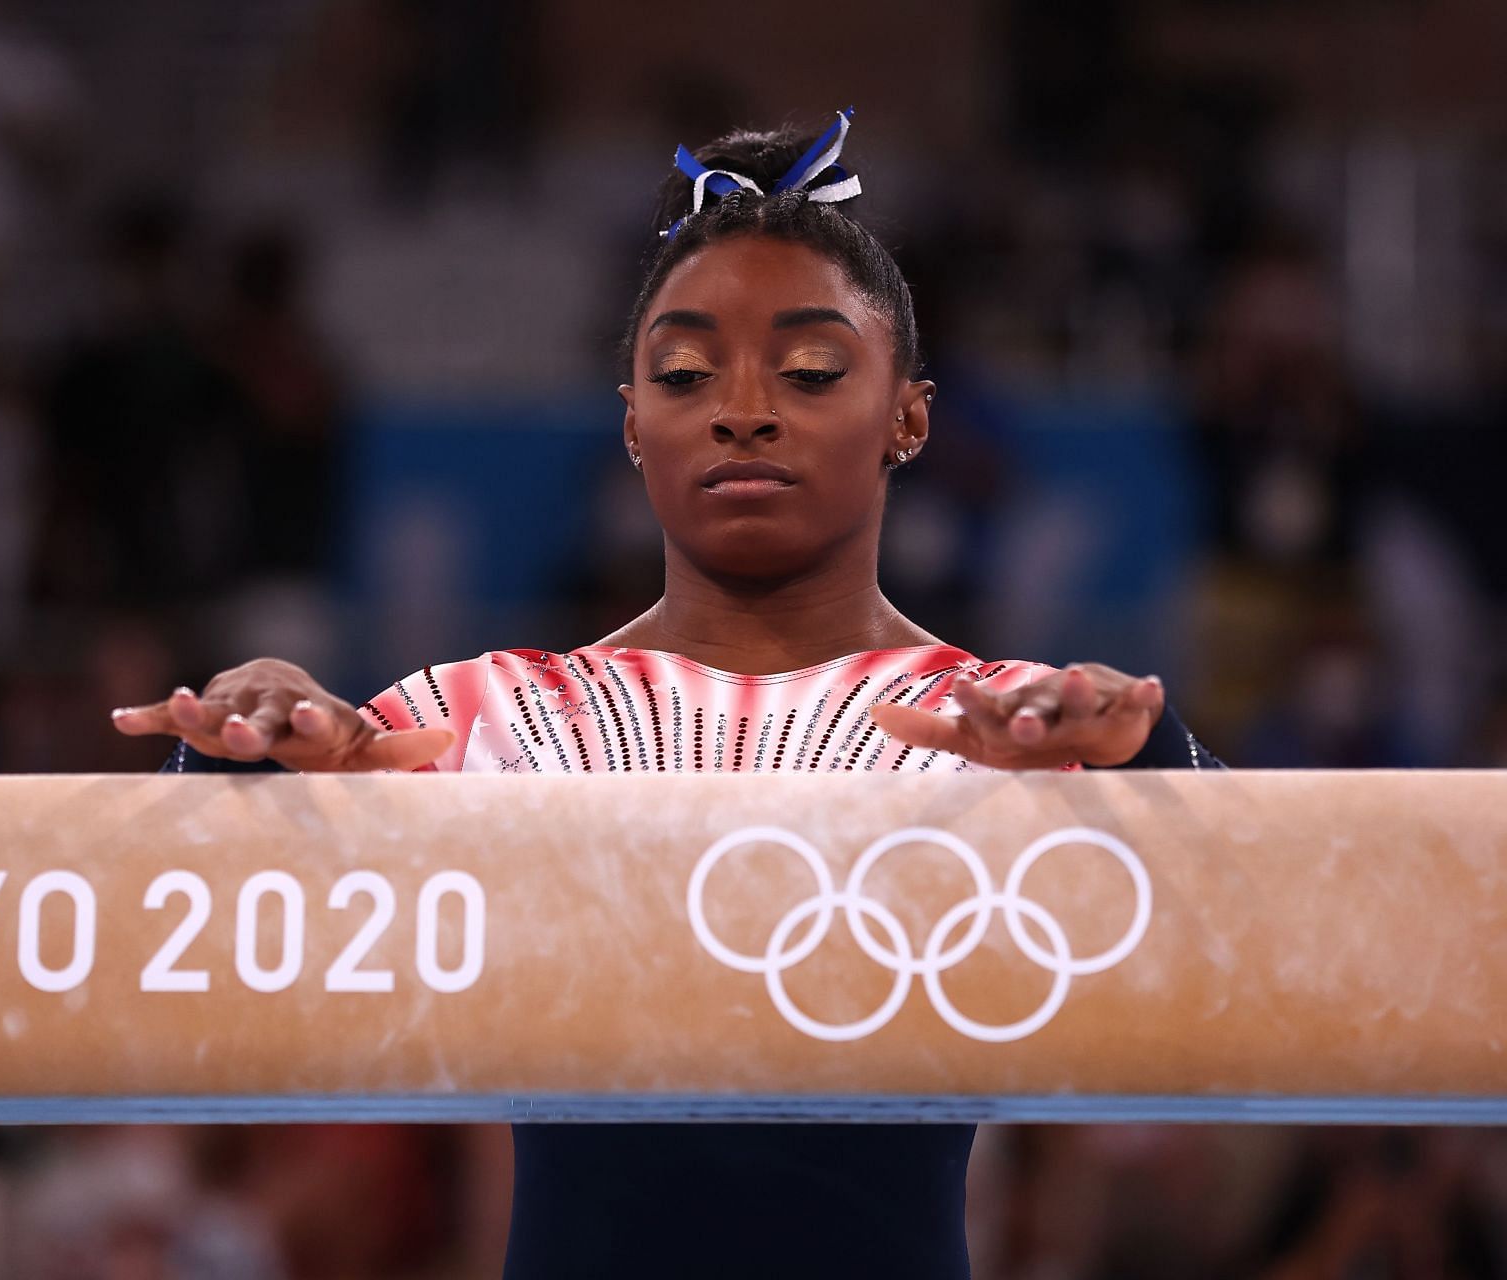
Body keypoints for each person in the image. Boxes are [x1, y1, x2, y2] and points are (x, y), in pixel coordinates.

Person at [113, 109, 1221, 1278]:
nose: (744, 407)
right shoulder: (495, 716)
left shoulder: (995, 723)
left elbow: (1261, 930)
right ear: (634, 423)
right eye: (687, 372)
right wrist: (249, 748)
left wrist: (1149, 753)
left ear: (910, 413)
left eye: (809, 369)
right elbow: (203, 924)